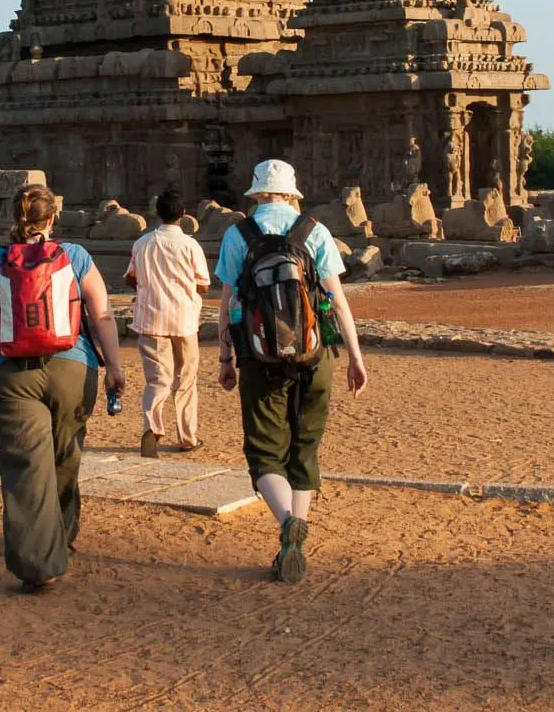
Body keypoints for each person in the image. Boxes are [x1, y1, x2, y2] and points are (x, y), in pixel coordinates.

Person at [0, 184, 125, 593]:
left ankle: (39, 564)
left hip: (9, 373)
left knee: (26, 464)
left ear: (14, 218)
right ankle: (61, 534)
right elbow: (101, 314)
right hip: (73, 368)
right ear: (52, 219)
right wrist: (114, 365)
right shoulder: (75, 256)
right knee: (65, 454)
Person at [216, 159, 369, 584]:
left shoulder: (238, 234)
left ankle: (286, 523)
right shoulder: (314, 231)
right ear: (291, 192)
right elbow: (338, 302)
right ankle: (294, 543)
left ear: (258, 193)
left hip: (258, 354)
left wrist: (225, 360)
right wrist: (355, 358)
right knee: (304, 447)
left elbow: (227, 304)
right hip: (315, 354)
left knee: (265, 451)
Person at [123, 189, 211, 459]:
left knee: (156, 379)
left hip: (151, 318)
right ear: (183, 215)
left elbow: (130, 277)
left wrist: (148, 284)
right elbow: (204, 284)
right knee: (186, 380)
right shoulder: (190, 245)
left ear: (156, 212)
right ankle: (187, 436)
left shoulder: (142, 243)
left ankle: (152, 426)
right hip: (184, 319)